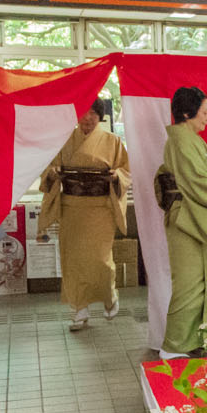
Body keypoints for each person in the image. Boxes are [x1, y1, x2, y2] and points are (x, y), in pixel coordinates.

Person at [39, 98, 130, 331]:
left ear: (100, 116)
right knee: (73, 261)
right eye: (83, 112)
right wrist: (54, 173)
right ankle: (79, 309)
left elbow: (125, 171)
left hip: (100, 209)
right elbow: (48, 170)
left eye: (92, 113)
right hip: (72, 208)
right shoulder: (65, 141)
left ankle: (109, 296)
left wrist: (115, 177)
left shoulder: (112, 141)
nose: (87, 117)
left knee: (101, 260)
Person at [160, 86, 207, 358]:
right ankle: (173, 345)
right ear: (187, 113)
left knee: (204, 280)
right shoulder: (181, 140)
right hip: (185, 217)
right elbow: (198, 183)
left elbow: (202, 179)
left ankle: (204, 340)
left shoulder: (190, 139)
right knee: (189, 282)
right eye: (204, 112)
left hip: (192, 215)